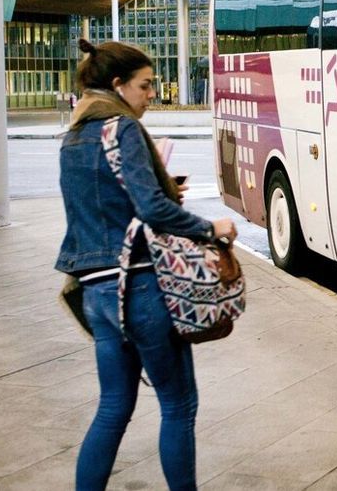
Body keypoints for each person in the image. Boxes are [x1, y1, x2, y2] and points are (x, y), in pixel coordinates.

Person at [55, 39, 237, 491]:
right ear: (118, 85)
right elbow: (152, 209)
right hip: (137, 287)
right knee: (178, 404)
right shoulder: (122, 126)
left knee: (114, 405)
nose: (152, 94)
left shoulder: (74, 135)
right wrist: (210, 227)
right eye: (146, 85)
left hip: (96, 294)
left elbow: (100, 206)